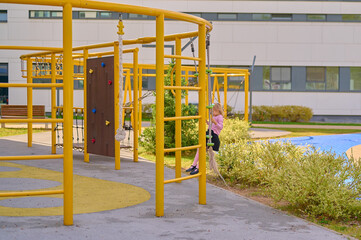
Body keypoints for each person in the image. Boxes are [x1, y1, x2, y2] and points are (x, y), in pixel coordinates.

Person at [186, 103, 224, 175]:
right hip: (209, 133)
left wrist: (215, 122)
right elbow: (211, 125)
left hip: (213, 135)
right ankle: (194, 165)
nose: (212, 113)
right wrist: (207, 122)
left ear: (218, 110)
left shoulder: (220, 117)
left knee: (203, 150)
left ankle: (198, 167)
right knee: (199, 148)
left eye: (213, 111)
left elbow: (220, 127)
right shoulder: (214, 116)